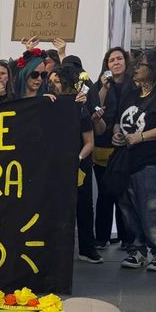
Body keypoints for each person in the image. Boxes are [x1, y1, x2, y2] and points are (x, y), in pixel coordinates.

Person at [114, 47, 156, 271]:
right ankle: (137, 250)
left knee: (149, 206)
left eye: (141, 65)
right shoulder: (129, 93)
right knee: (126, 205)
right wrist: (117, 132)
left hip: (152, 159)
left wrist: (141, 137)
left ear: (153, 69)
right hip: (126, 158)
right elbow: (118, 118)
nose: (135, 69)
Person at [52, 64, 99, 263]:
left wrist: (77, 160)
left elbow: (90, 143)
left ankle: (87, 249)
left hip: (79, 167)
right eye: (51, 81)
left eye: (57, 81)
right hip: (56, 168)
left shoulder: (81, 109)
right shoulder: (50, 104)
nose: (53, 85)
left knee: (84, 208)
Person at [94, 47, 134, 248]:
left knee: (123, 195)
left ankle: (127, 238)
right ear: (107, 65)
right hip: (102, 147)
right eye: (112, 60)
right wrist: (103, 88)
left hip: (125, 146)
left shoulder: (133, 85)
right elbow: (95, 107)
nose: (116, 62)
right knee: (104, 194)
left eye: (119, 59)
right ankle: (101, 237)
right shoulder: (102, 84)